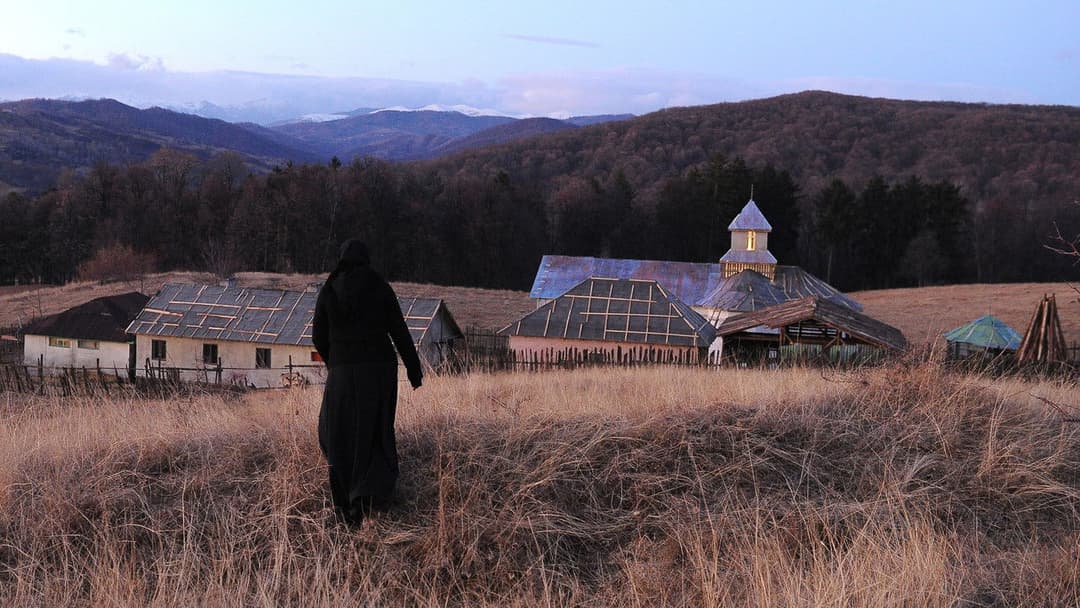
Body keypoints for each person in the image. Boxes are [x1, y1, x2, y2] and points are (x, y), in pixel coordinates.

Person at [312, 239, 423, 525]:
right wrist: (414, 371)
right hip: (379, 369)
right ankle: (372, 494)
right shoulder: (380, 286)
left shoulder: (329, 289)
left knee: (337, 432)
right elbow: (399, 330)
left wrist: (334, 361)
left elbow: (317, 337)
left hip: (343, 371)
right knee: (376, 429)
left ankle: (348, 499)